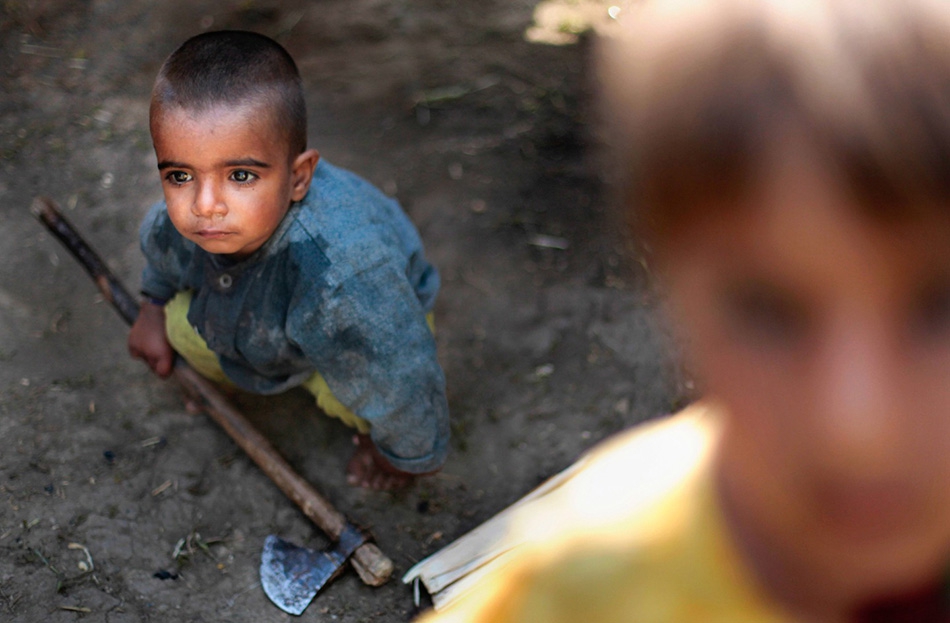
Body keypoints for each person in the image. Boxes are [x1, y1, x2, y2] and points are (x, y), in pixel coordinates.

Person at [419, 0, 950, 619]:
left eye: (938, 303)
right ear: (665, 292)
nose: (859, 430)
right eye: (768, 312)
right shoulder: (578, 591)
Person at [127, 30, 449, 491]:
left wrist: (408, 454)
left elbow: (401, 374)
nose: (206, 204)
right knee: (181, 328)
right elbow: (162, 254)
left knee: (374, 392)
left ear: (298, 178)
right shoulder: (195, 221)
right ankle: (256, 370)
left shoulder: (345, 274)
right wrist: (150, 308)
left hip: (369, 333)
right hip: (274, 323)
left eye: (240, 175)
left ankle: (371, 431)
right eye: (180, 175)